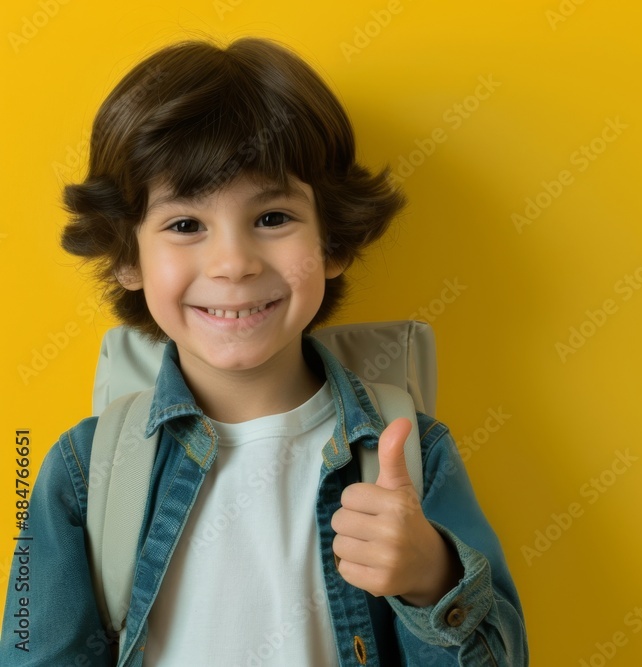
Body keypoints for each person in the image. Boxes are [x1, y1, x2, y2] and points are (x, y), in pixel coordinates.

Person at [0, 36, 527, 666]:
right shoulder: (83, 471)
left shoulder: (416, 453)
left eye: (272, 217)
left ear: (332, 242)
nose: (233, 264)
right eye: (185, 225)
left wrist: (431, 579)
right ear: (126, 258)